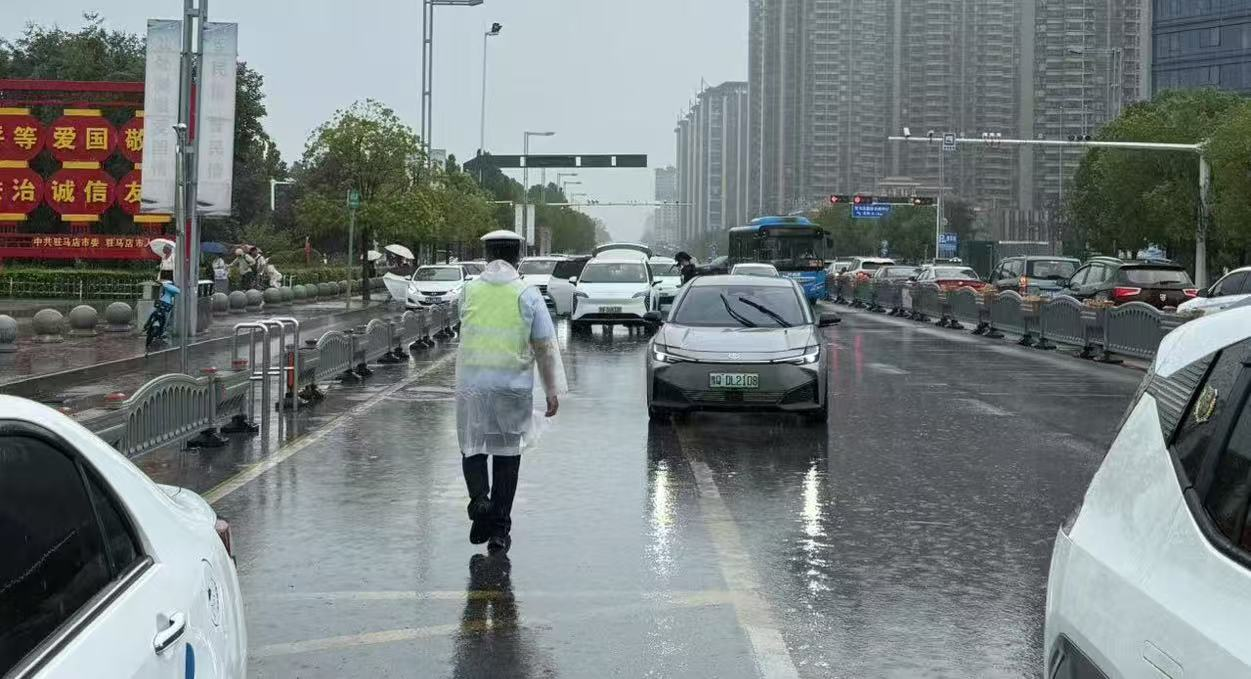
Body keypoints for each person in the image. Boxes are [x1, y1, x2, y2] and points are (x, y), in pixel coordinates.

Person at [457, 230, 567, 555]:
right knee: (507, 457)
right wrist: (552, 391)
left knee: (472, 446)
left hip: (472, 386)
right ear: (518, 257)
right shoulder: (528, 294)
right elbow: (546, 348)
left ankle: (479, 499)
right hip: (511, 388)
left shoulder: (468, 291)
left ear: (486, 256)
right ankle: (500, 531)